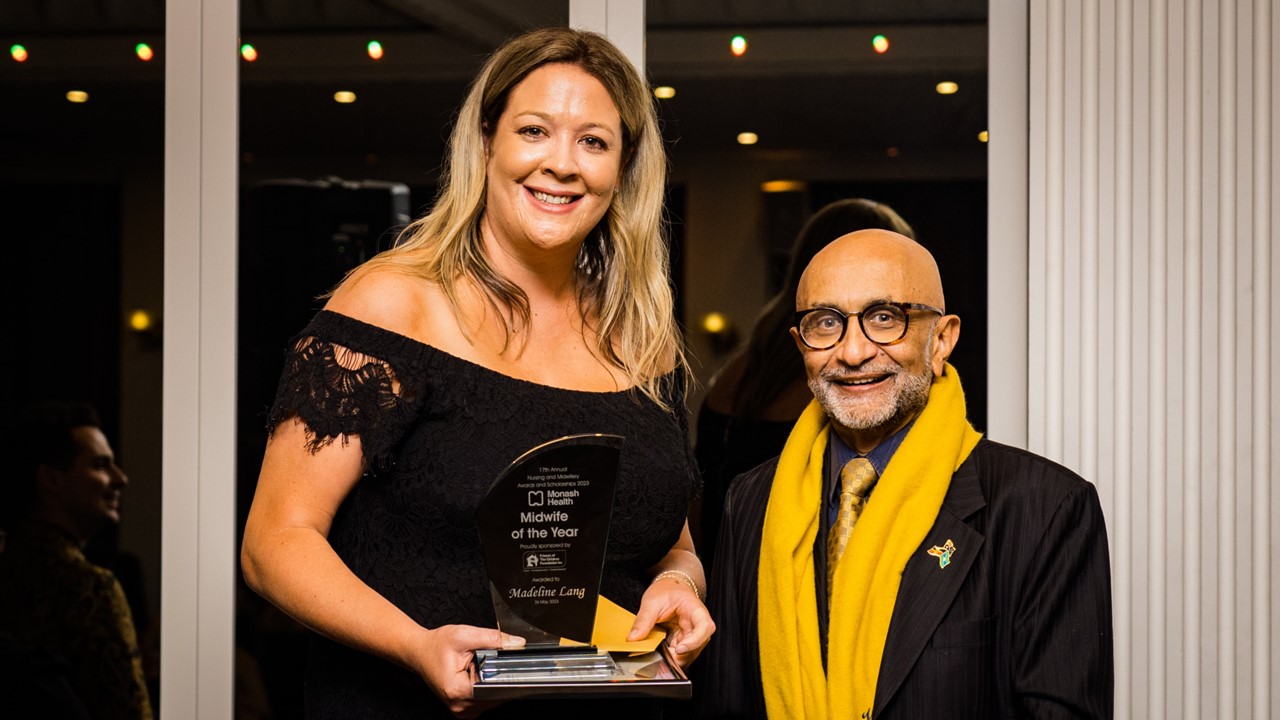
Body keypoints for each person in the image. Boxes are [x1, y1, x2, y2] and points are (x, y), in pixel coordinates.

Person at [240, 26, 712, 720]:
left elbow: (667, 537)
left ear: (623, 167)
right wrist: (412, 644)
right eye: (534, 130)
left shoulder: (639, 336)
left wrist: (680, 582)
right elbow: (276, 542)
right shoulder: (392, 305)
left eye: (593, 141)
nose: (563, 164)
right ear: (487, 141)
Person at [699, 230, 1113, 719]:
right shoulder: (750, 502)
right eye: (826, 323)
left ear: (941, 340)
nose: (852, 352)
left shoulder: (1047, 508)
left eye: (883, 318)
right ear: (800, 346)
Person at [693, 198, 914, 566]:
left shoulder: (741, 366)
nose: (854, 354)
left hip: (725, 567)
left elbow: (697, 498)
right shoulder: (842, 380)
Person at [0, 401, 153, 720]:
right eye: (100, 465)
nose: (120, 478)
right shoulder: (91, 589)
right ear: (50, 479)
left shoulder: (9, 567)